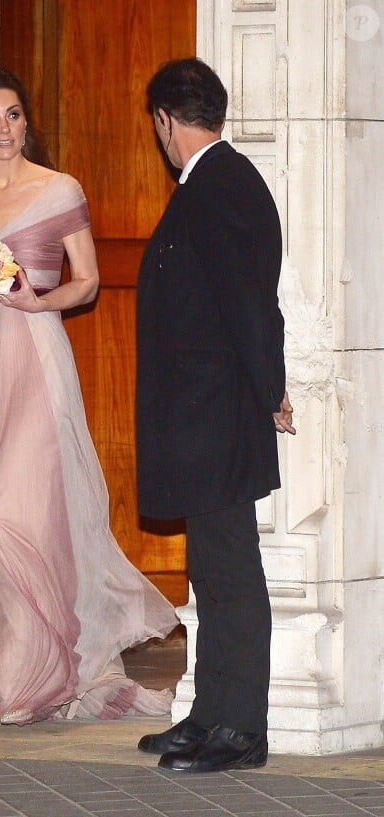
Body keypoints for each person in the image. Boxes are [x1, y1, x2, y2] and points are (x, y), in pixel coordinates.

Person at [0, 66, 178, 728]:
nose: (6, 128)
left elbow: (90, 282)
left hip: (39, 350)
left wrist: (34, 297)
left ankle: (45, 670)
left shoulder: (59, 188)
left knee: (13, 517)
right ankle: (3, 681)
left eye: (14, 114)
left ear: (25, 121)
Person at [135, 58, 296, 772]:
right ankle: (208, 714)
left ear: (165, 121)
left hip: (218, 415)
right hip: (202, 415)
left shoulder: (220, 186)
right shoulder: (214, 183)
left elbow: (249, 304)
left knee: (231, 572)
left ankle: (243, 728)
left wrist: (270, 390)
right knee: (212, 568)